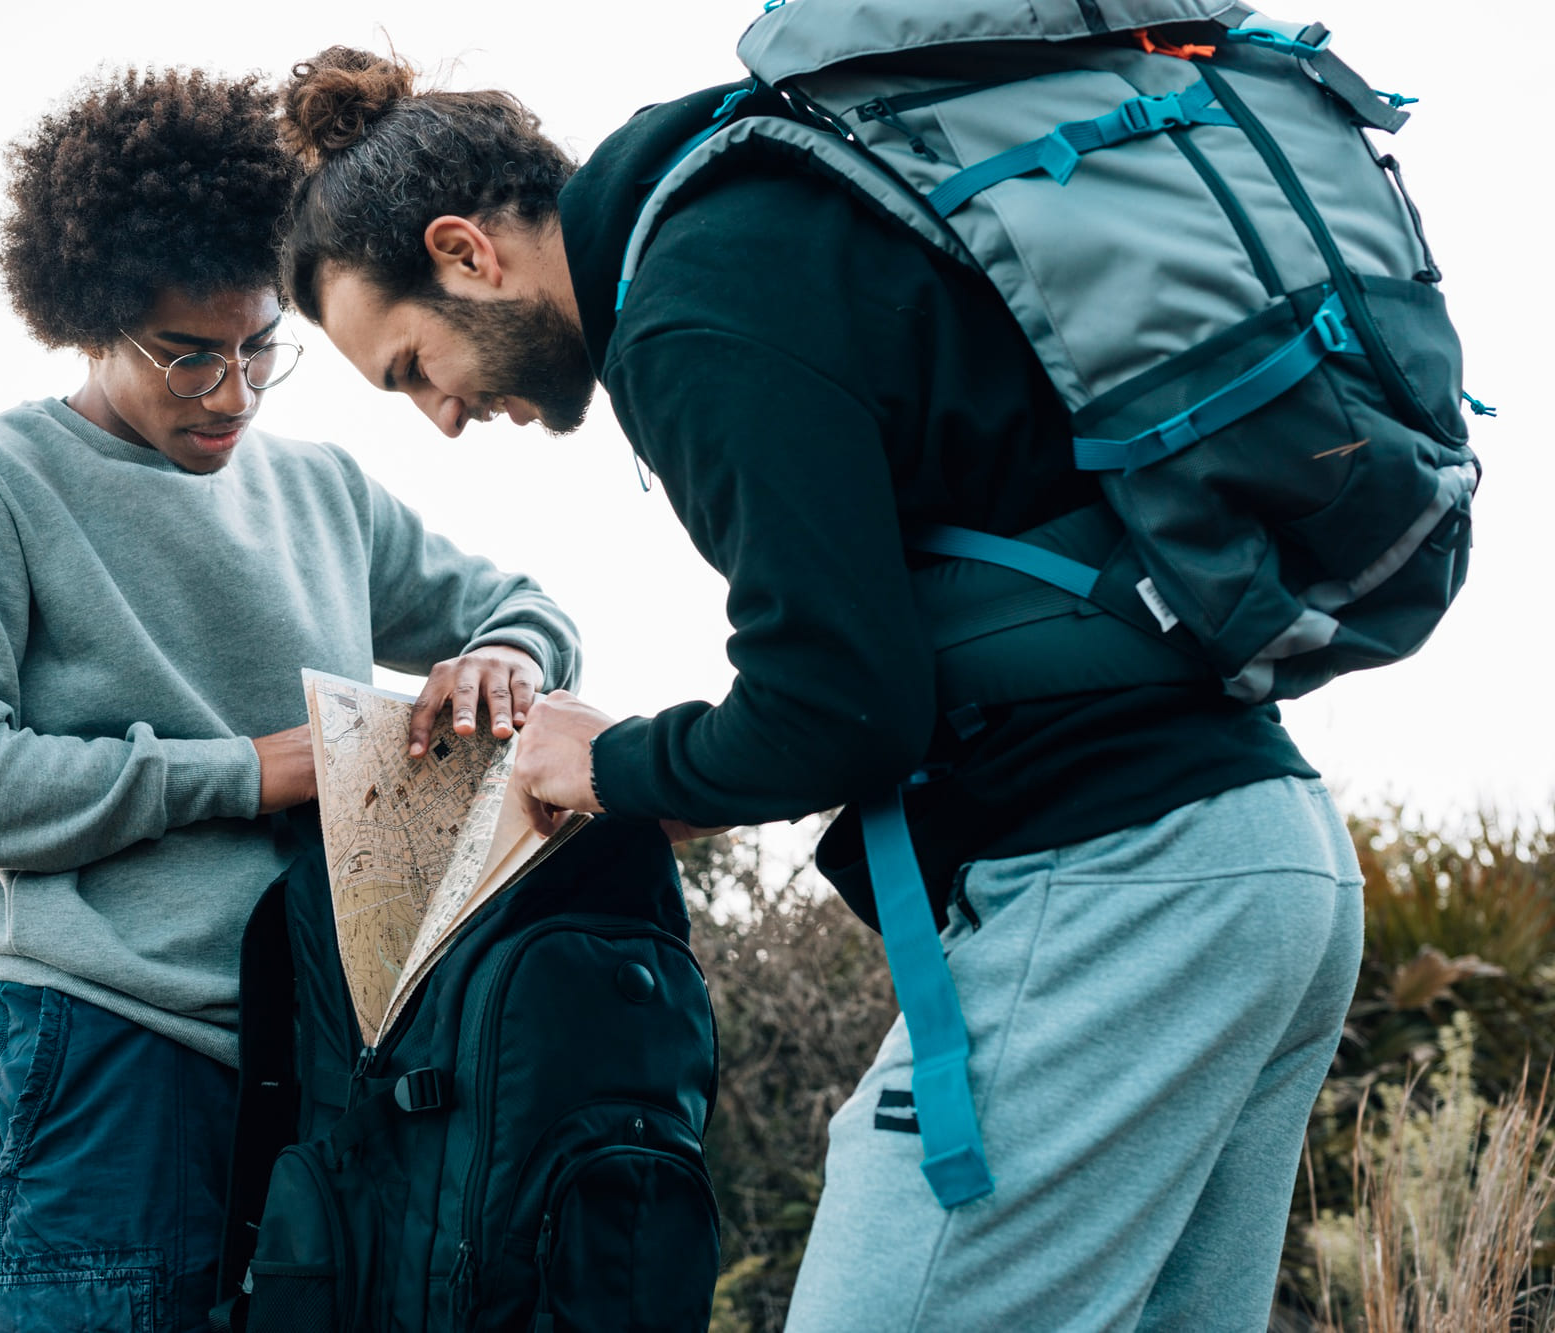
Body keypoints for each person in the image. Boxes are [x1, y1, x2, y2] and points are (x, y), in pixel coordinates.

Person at [274, 46, 1366, 1332]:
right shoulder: (773, 214)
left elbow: (840, 706)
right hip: (1263, 861)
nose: (440, 418)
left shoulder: (691, 304)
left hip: (1109, 886)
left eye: (407, 368)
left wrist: (610, 762)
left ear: (463, 252)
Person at [0, 66, 578, 1333]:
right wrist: (246, 770)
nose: (230, 394)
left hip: (328, 1071)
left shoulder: (323, 490)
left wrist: (504, 659)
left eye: (256, 350)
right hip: (94, 1058)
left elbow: (523, 605)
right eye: (185, 357)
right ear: (86, 316)